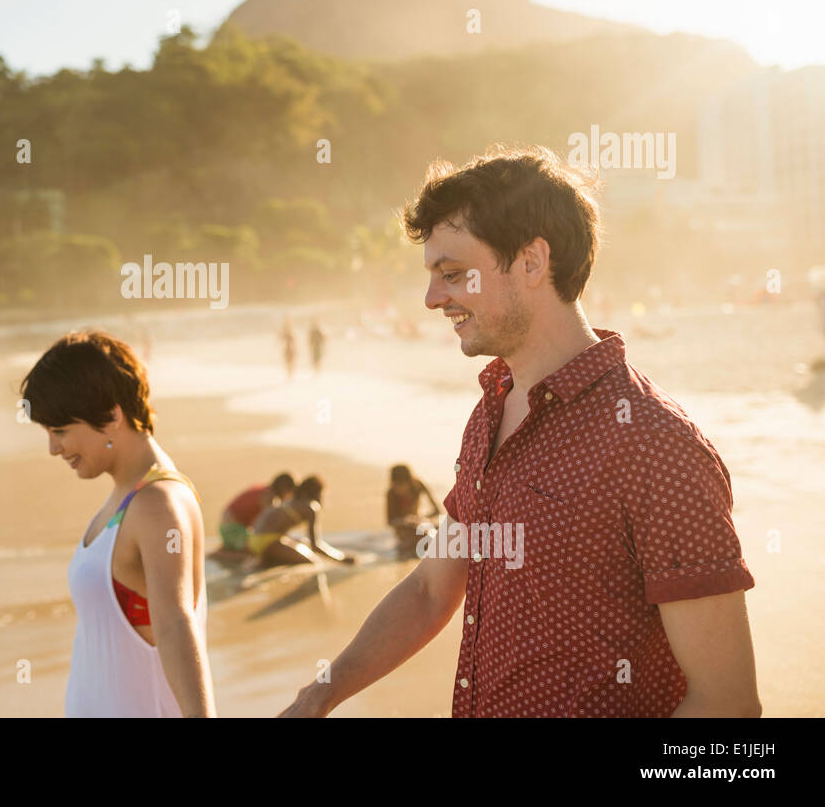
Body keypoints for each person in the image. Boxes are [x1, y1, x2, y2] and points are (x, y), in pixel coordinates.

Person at [281, 145, 760, 718]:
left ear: (532, 262)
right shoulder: (490, 413)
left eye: (454, 274)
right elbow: (432, 591)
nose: (433, 298)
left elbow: (727, 704)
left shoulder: (654, 443)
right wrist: (319, 696)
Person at [20, 330, 214, 717]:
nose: (53, 448)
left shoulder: (158, 504)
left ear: (111, 416)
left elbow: (176, 624)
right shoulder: (128, 498)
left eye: (60, 431)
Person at [247, 475, 356, 568]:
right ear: (318, 493)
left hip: (253, 540)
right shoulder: (311, 507)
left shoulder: (292, 501)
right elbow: (315, 545)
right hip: (267, 541)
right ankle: (270, 559)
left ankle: (268, 560)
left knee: (303, 542)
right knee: (313, 561)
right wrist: (341, 558)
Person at [219, 473, 294, 555]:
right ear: (285, 489)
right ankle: (221, 555)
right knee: (253, 551)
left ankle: (226, 550)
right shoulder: (268, 496)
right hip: (232, 528)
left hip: (230, 527)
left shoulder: (265, 490)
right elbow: (266, 520)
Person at [384, 463, 441, 552]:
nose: (399, 489)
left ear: (409, 481)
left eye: (401, 484)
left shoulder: (418, 486)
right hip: (403, 531)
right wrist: (405, 521)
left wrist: (421, 519)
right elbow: (389, 521)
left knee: (444, 531)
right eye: (396, 485)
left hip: (419, 524)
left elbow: (437, 510)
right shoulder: (391, 493)